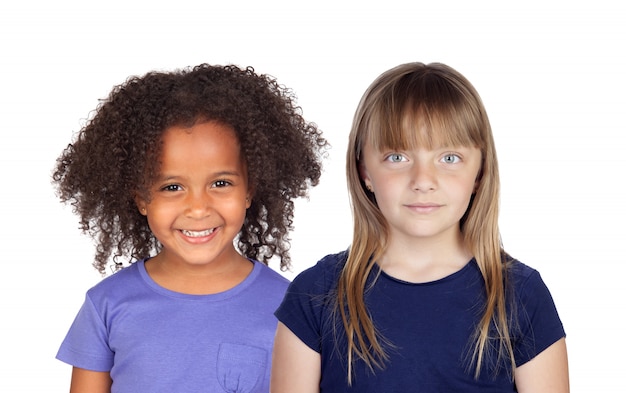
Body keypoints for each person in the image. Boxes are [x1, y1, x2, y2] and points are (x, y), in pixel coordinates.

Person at [271, 62, 569, 392]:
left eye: (449, 158)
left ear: (480, 172)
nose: (423, 181)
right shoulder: (314, 297)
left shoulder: (521, 295)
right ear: (365, 171)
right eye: (397, 157)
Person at [53, 64, 327, 393]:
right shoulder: (106, 306)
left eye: (221, 183)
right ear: (140, 198)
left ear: (250, 189)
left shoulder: (291, 308)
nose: (198, 208)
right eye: (172, 187)